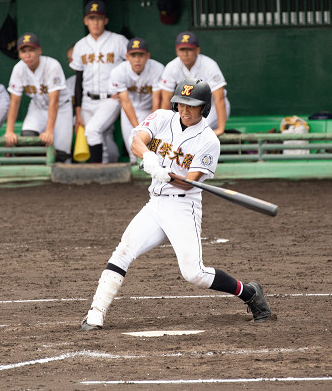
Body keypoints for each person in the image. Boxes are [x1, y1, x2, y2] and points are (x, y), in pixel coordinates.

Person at [81, 77, 273, 331]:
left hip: (183, 207)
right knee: (123, 251)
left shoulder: (208, 140)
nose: (185, 110)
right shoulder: (162, 118)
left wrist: (166, 174)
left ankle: (248, 293)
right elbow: (137, 140)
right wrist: (148, 156)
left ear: (204, 108)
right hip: (155, 203)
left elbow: (190, 182)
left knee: (194, 274)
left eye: (191, 105)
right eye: (181, 103)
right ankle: (95, 313)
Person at [70, 0, 128, 163]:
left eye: (99, 18)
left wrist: (124, 91)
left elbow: (131, 68)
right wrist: (78, 109)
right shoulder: (80, 46)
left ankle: (97, 171)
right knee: (104, 137)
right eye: (92, 18)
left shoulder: (119, 40)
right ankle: (112, 166)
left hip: (111, 98)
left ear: (106, 20)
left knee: (92, 130)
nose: (96, 22)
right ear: (86, 21)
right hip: (88, 100)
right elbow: (78, 79)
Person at [5, 33, 72, 162]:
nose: (28, 55)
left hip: (61, 109)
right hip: (38, 107)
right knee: (27, 140)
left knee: (62, 153)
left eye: (31, 50)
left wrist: (49, 131)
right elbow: (15, 101)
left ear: (39, 51)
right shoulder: (18, 69)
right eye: (23, 51)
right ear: (19, 54)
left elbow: (55, 101)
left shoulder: (52, 66)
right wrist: (9, 131)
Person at [158, 31, 230, 136]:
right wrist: (163, 127)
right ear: (177, 51)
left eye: (189, 49)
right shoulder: (172, 67)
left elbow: (219, 98)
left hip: (210, 107)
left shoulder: (209, 65)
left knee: (195, 129)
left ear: (197, 50)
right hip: (185, 108)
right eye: (182, 49)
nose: (185, 54)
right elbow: (166, 100)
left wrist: (220, 128)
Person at [110, 37, 165, 163]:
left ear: (147, 56)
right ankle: (135, 178)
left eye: (140, 55)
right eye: (133, 55)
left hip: (149, 109)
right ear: (127, 56)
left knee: (149, 142)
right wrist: (138, 128)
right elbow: (125, 102)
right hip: (129, 109)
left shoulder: (157, 68)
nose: (137, 59)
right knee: (132, 146)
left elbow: (157, 99)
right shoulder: (118, 71)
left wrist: (152, 124)